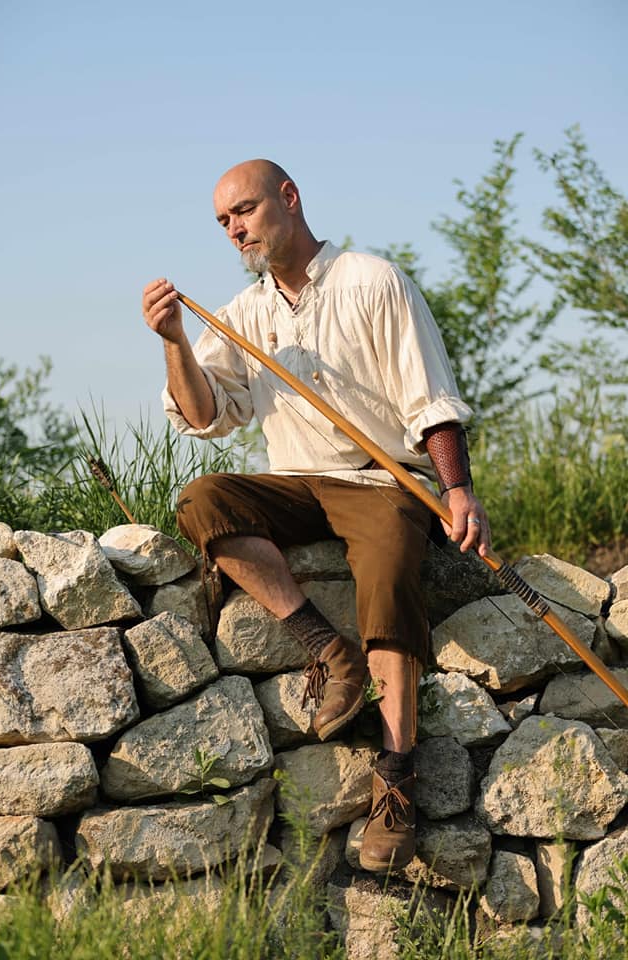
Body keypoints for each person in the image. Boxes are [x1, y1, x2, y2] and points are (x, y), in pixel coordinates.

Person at [142, 159, 490, 873]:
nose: (234, 229)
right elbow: (205, 416)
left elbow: (432, 400)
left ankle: (396, 781)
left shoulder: (373, 281)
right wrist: (175, 341)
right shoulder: (243, 316)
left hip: (383, 481)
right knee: (202, 501)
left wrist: (456, 490)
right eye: (223, 221)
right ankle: (329, 651)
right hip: (296, 484)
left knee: (391, 571)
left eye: (244, 210)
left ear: (289, 199)